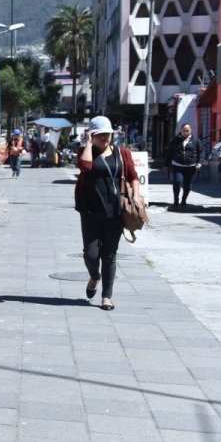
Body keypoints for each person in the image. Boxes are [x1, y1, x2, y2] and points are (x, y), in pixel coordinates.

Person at [75, 115, 140, 311]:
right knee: (91, 253)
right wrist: (87, 143)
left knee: (110, 255)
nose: (105, 138)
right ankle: (94, 276)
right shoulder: (85, 152)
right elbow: (85, 166)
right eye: (100, 135)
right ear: (92, 135)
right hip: (90, 211)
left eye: (108, 134)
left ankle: (106, 296)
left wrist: (136, 196)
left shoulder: (122, 153)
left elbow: (133, 176)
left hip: (115, 212)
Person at [167, 124, 202, 208]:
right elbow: (169, 153)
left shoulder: (196, 140)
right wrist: (166, 165)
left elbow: (200, 152)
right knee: (177, 182)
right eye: (184, 131)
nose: (186, 132)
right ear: (181, 131)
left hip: (191, 166)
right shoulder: (175, 140)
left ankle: (184, 200)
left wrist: (199, 162)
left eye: (187, 131)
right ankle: (176, 200)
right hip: (177, 165)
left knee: (187, 184)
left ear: (190, 131)